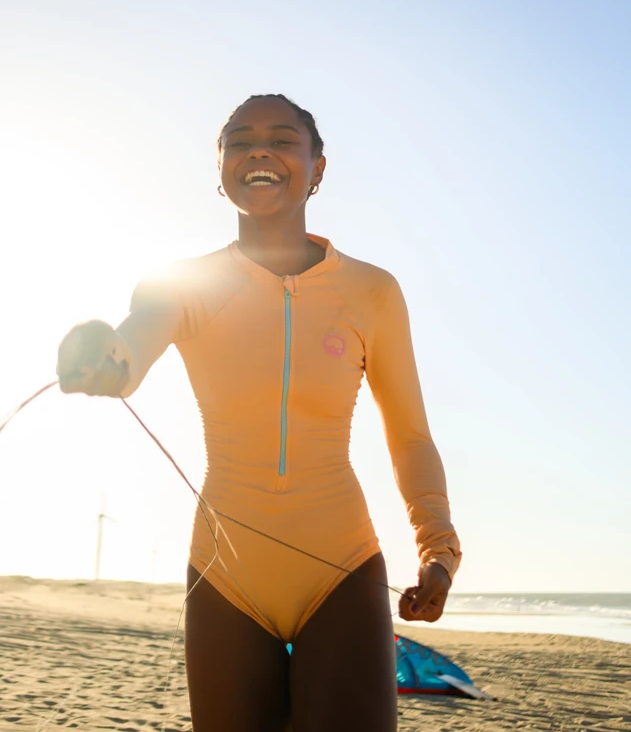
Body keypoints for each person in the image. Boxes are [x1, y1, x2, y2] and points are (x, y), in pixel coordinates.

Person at [57, 94, 462, 732]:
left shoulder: (372, 291)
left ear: (318, 168)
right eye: (239, 140)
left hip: (343, 568)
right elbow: (128, 352)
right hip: (226, 578)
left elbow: (409, 435)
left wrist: (439, 548)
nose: (259, 150)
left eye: (281, 138)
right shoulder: (179, 285)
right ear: (221, 170)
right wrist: (101, 355)